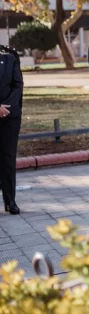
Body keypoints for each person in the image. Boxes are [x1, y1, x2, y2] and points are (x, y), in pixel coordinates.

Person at [0, 44, 23, 214]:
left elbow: (18, 85)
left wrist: (5, 107)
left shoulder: (9, 58)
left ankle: (10, 200)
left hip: (9, 116)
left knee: (8, 158)